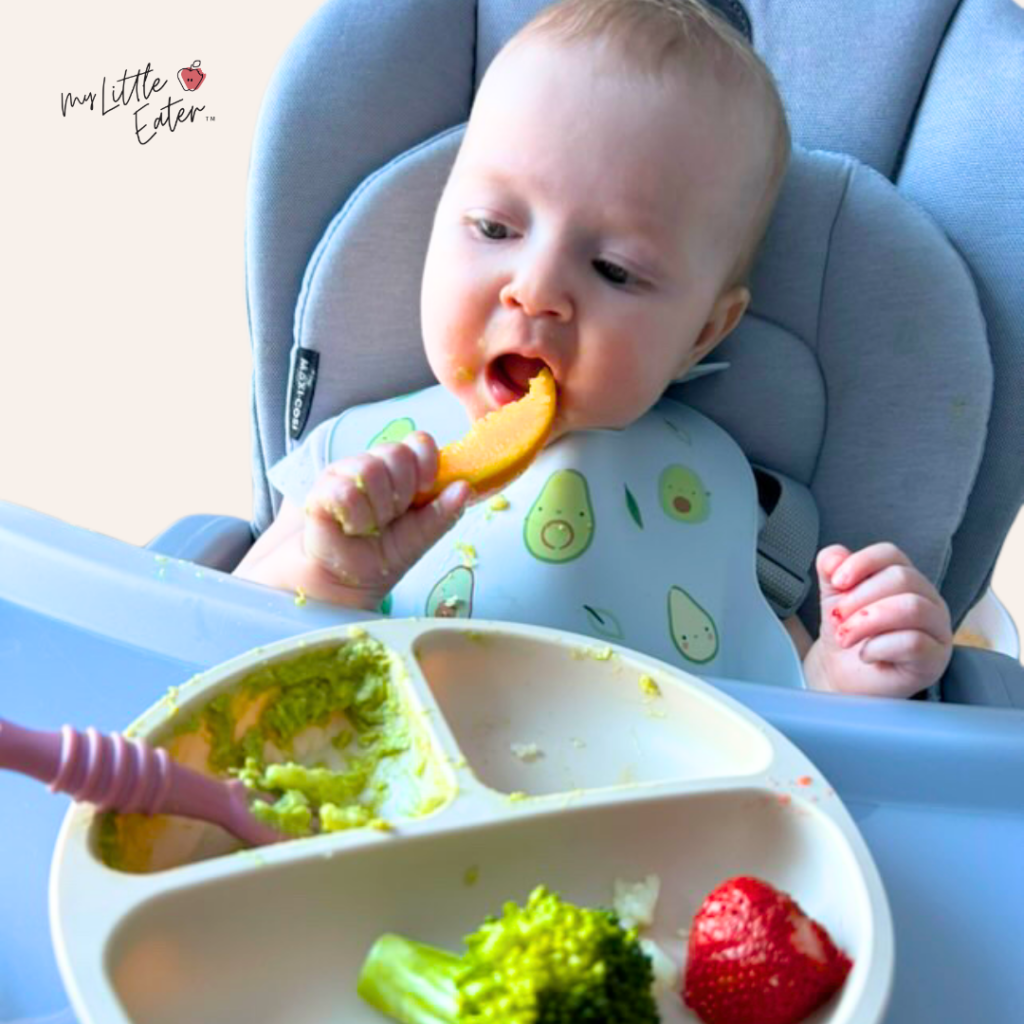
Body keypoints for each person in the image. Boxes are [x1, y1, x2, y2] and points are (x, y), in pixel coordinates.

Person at [235, 0, 953, 698]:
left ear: (702, 332)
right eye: (492, 229)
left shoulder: (727, 497)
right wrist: (333, 576)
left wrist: (848, 669)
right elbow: (224, 640)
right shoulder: (361, 467)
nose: (537, 288)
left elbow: (794, 706)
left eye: (613, 270)